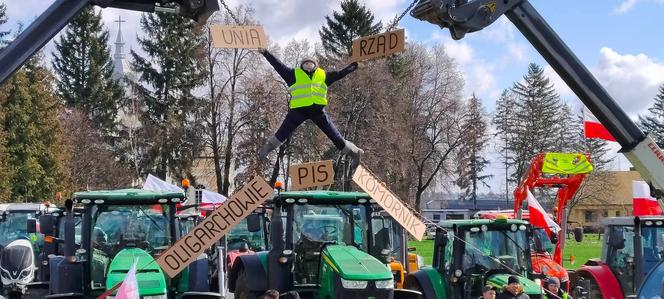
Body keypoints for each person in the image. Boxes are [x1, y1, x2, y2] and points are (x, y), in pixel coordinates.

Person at [257, 49, 363, 170]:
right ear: (301, 66)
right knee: (282, 132)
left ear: (315, 65)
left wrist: (355, 65)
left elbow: (340, 73)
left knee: (335, 136)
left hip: (318, 112)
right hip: (298, 111)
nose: (307, 65)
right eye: (305, 63)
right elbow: (278, 65)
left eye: (310, 63)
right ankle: (264, 151)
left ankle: (355, 153)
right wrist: (266, 53)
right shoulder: (292, 74)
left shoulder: (323, 75)